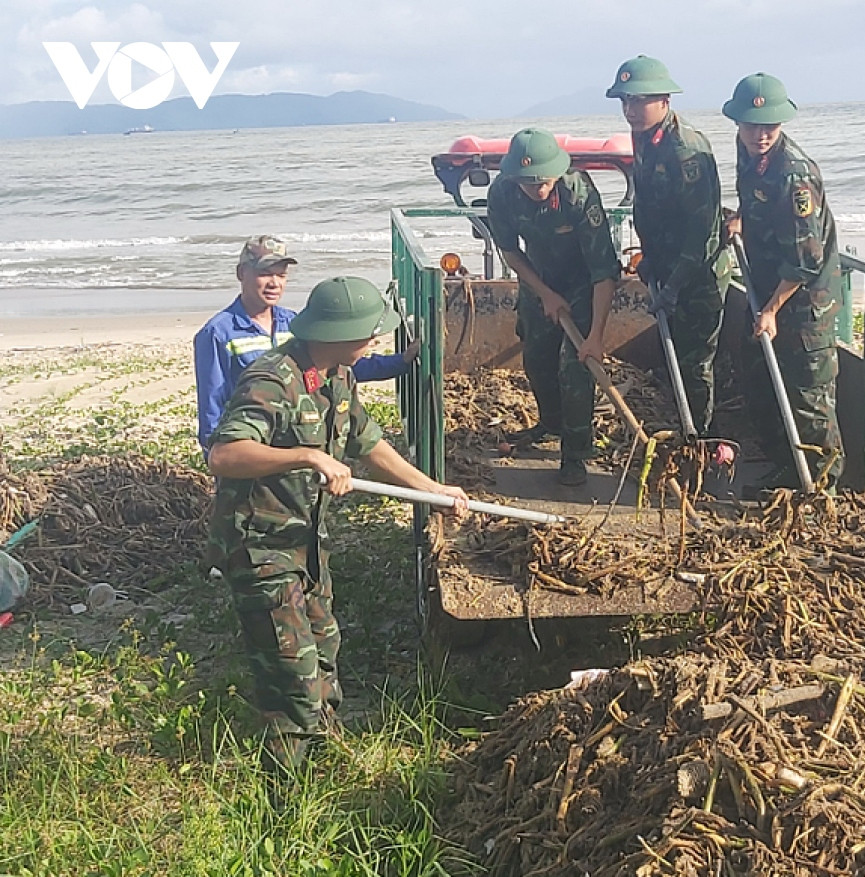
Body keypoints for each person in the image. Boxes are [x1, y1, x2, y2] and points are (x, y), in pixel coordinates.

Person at [206, 275, 469, 773]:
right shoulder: (272, 379)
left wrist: (430, 490)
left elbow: (369, 445)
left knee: (324, 650)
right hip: (260, 546)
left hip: (305, 540)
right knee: (293, 673)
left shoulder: (338, 375)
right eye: (369, 332)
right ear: (336, 331)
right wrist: (305, 455)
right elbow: (224, 454)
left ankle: (324, 762)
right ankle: (286, 793)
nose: (375, 341)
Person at [722, 73, 845, 493]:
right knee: (760, 386)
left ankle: (820, 490)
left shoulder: (794, 176)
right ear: (738, 123)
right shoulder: (748, 155)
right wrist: (741, 218)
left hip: (805, 301)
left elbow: (804, 260)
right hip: (767, 288)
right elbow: (756, 200)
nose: (760, 135)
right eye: (753, 126)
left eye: (769, 127)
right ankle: (787, 470)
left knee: (808, 399)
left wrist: (772, 310)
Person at [193, 235, 419, 452]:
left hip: (297, 443)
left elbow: (341, 363)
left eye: (281, 275)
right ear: (241, 273)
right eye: (264, 274)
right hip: (252, 444)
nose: (274, 283)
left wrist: (401, 362)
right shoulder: (218, 333)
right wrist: (218, 457)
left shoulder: (294, 323)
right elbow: (212, 403)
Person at [486, 128, 621, 486]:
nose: (538, 190)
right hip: (538, 279)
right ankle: (551, 424)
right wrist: (544, 293)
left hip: (583, 283)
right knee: (537, 359)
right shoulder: (501, 193)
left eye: (544, 182)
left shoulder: (578, 193)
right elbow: (510, 251)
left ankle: (576, 453)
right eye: (529, 184)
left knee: (574, 367)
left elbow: (604, 271)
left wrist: (595, 336)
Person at [606, 55, 728, 436]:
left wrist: (674, 284)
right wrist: (650, 259)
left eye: (640, 101)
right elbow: (647, 204)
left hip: (697, 273)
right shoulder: (644, 138)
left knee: (695, 362)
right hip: (666, 265)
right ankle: (683, 422)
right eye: (626, 101)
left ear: (664, 101)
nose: (631, 110)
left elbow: (700, 232)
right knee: (673, 350)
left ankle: (700, 436)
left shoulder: (685, 149)